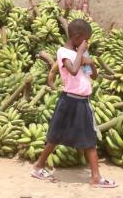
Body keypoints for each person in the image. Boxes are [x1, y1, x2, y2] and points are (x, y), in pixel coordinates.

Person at [31, 19, 117, 188]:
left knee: (88, 139)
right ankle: (94, 177)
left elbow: (94, 76)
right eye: (85, 39)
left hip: (82, 101)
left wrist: (91, 62)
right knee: (56, 136)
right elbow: (73, 69)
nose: (86, 43)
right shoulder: (64, 52)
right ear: (77, 36)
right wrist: (80, 55)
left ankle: (40, 166)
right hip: (70, 100)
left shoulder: (80, 53)